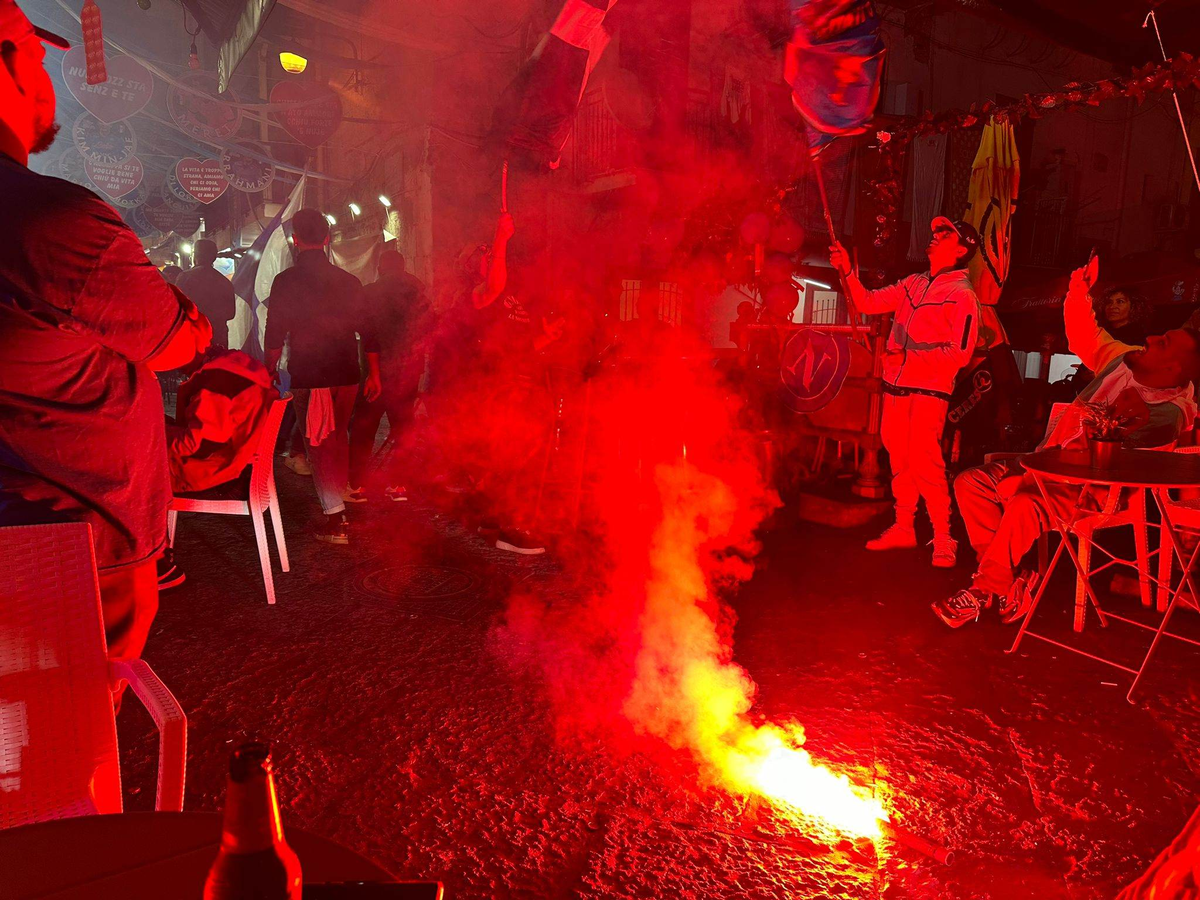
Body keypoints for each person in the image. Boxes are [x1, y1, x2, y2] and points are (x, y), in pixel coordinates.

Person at [0, 1, 212, 666]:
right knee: (70, 723)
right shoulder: (50, 222)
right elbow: (180, 341)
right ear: (7, 68)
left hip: (39, 537)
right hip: (66, 550)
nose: (48, 78)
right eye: (37, 58)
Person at [937, 257, 1200, 628]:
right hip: (1044, 465)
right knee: (970, 483)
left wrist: (1025, 482)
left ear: (1172, 368)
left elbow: (1098, 460)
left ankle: (984, 589)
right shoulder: (1121, 361)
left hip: (1091, 491)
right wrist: (1079, 291)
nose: (1151, 338)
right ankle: (1009, 582)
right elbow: (1085, 336)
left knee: (1024, 504)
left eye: (1164, 342)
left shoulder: (1167, 414)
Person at [830, 216, 981, 568]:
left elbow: (960, 354)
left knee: (927, 464)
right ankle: (904, 526)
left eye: (945, 234)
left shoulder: (963, 296)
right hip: (896, 387)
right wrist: (847, 271)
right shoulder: (913, 283)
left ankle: (943, 537)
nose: (935, 235)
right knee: (900, 462)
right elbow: (867, 302)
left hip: (929, 392)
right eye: (937, 231)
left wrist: (909, 357)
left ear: (961, 251)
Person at [264, 209, 380, 545]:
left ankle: (335, 519)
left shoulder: (286, 281)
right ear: (327, 238)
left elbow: (275, 333)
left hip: (312, 374)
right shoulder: (348, 281)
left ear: (295, 240)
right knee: (337, 437)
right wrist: (374, 374)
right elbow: (369, 331)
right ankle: (338, 498)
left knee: (318, 445)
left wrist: (269, 370)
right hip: (347, 374)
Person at [157, 349, 276, 588]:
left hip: (221, 475)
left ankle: (156, 562)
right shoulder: (240, 365)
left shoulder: (218, 380)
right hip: (240, 466)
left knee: (137, 474)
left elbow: (198, 446)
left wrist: (155, 432)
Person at [347, 250, 432, 502]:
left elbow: (363, 330)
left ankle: (358, 486)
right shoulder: (419, 294)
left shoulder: (370, 293)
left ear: (380, 269)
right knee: (403, 427)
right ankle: (399, 484)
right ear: (403, 268)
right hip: (408, 371)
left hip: (376, 371)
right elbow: (429, 330)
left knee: (364, 427)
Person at [176, 239, 237, 348]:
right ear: (214, 257)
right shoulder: (224, 282)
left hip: (192, 337)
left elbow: (176, 309)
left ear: (195, 256)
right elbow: (231, 313)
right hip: (218, 337)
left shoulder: (185, 277)